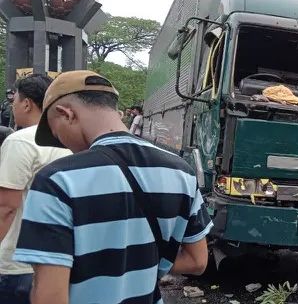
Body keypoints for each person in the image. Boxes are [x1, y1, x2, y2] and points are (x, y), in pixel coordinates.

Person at [13, 70, 212, 304]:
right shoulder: (181, 172)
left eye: (57, 134)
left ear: (66, 114)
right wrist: (134, 262)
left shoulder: (56, 180)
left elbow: (49, 297)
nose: (63, 144)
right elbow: (197, 262)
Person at [0, 75, 71, 304]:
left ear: (27, 103)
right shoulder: (69, 139)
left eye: (15, 102)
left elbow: (5, 208)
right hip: (54, 261)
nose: (14, 107)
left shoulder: (21, 141)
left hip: (14, 263)